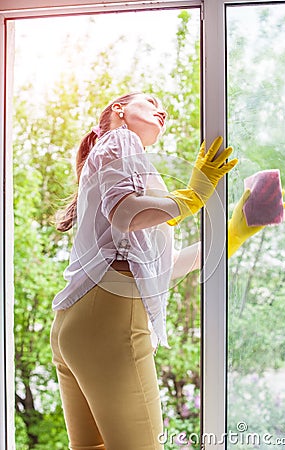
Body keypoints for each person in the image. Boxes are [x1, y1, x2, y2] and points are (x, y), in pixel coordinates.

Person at [50, 92, 259, 450]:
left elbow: (164, 266)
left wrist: (234, 231)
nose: (161, 109)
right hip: (109, 319)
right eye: (150, 101)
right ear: (119, 110)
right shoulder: (120, 139)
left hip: (74, 324)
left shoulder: (113, 163)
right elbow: (125, 212)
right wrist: (191, 196)